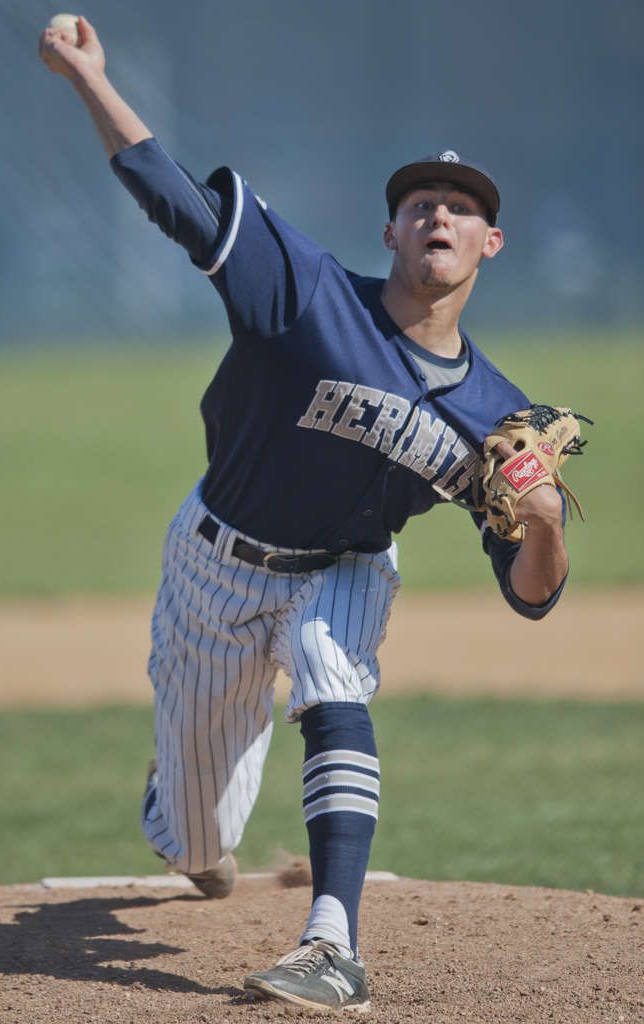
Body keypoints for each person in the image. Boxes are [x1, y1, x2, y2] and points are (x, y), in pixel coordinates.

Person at [39, 17, 569, 1013]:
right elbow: (172, 197)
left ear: (490, 242)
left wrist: (541, 522)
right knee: (197, 840)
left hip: (346, 565)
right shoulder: (308, 292)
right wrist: (87, 78)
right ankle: (186, 810)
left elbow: (532, 598)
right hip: (218, 562)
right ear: (392, 232)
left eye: (461, 208)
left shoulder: (503, 418)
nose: (440, 218)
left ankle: (331, 942)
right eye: (421, 204)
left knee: (334, 673)